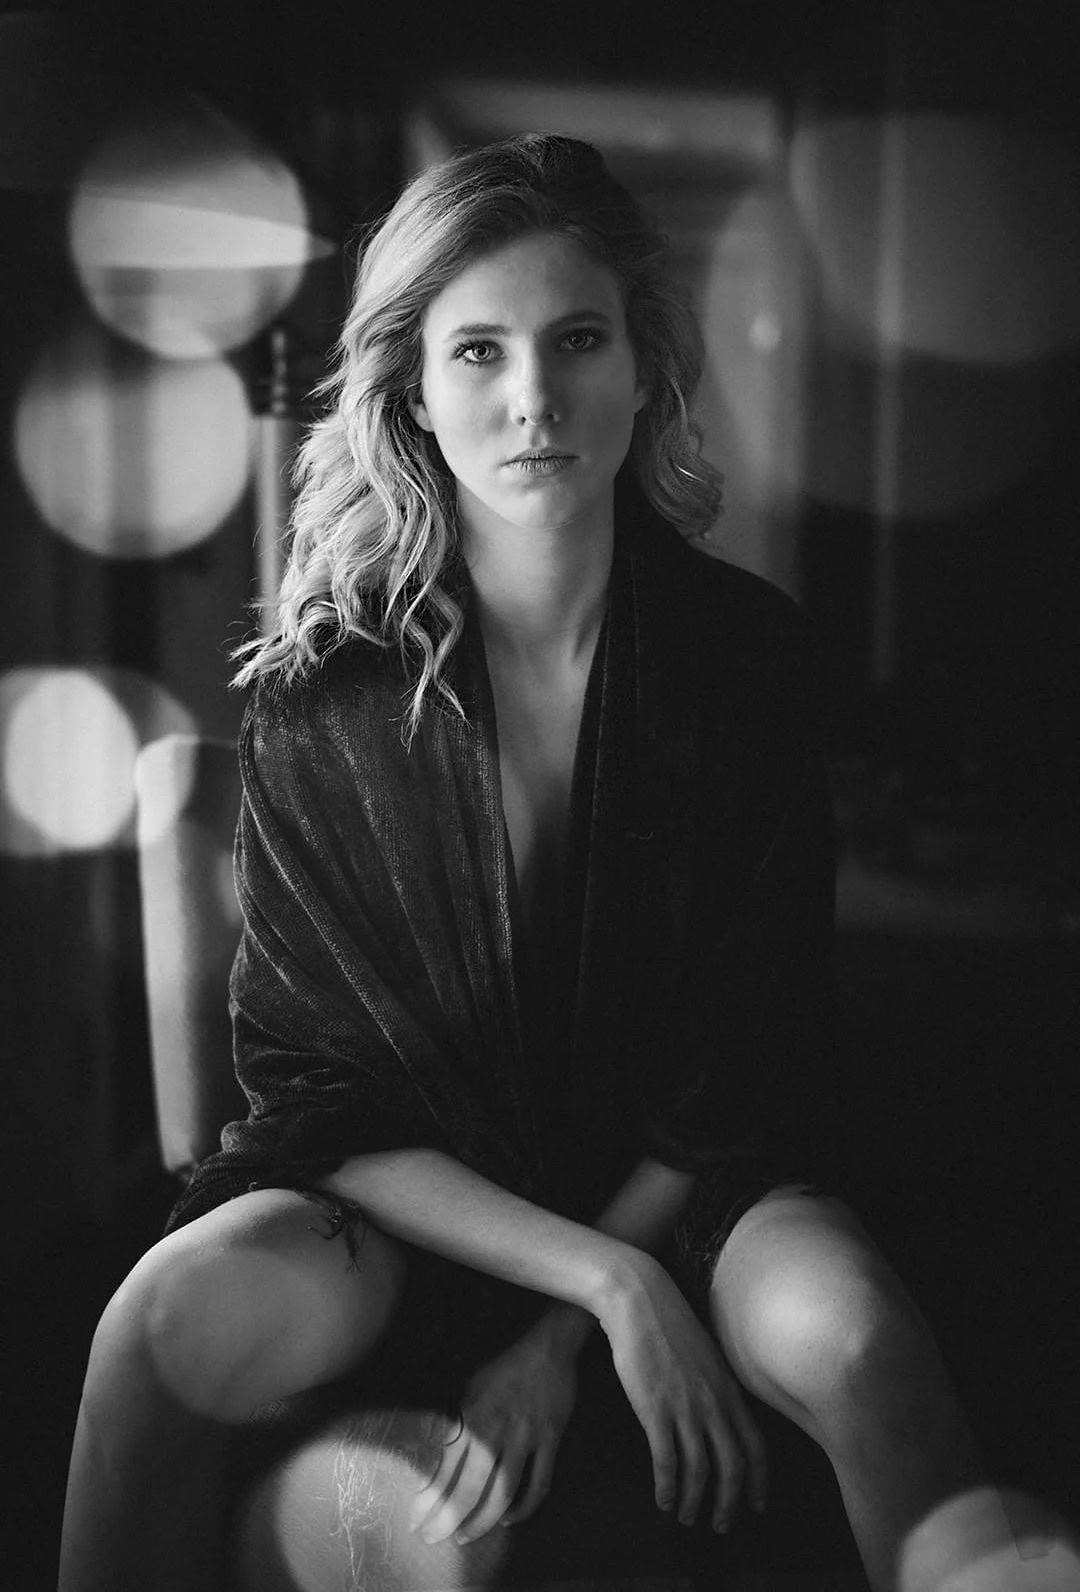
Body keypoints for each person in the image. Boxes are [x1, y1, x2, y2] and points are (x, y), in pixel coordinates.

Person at [59, 132, 983, 1592]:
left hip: (695, 1190)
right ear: (414, 394)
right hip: (406, 1206)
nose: (535, 396)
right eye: (477, 350)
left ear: (642, 367)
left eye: (577, 339)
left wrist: (589, 1310)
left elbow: (747, 1056)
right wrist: (595, 1287)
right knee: (155, 1325)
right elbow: (326, 1088)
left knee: (869, 1346)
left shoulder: (753, 662)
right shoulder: (328, 691)